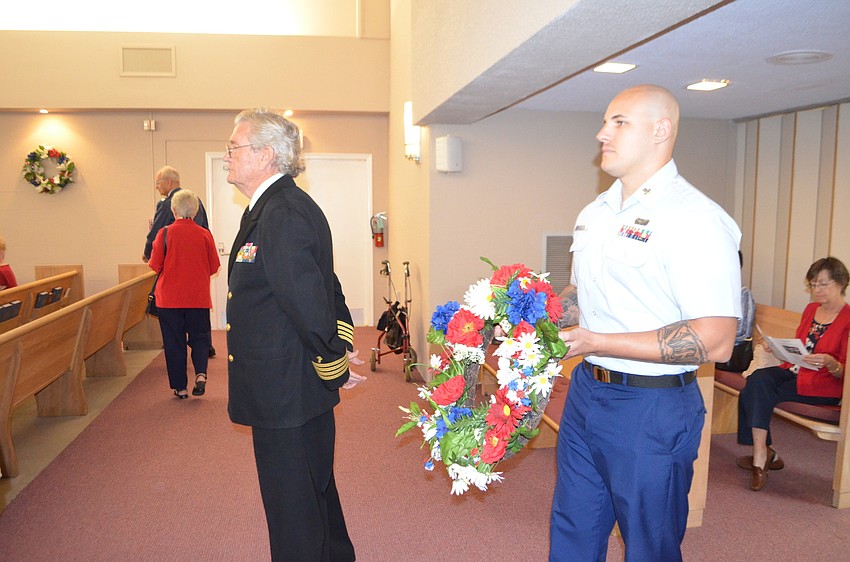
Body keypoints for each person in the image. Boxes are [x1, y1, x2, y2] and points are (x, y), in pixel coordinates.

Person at [550, 85, 742, 562]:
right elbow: (580, 295)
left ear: (661, 131)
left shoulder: (696, 219)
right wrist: (541, 319)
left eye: (619, 122)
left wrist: (597, 340)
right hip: (587, 392)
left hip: (651, 409)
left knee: (648, 545)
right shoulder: (595, 213)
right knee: (573, 527)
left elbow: (716, 340)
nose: (602, 134)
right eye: (605, 122)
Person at [224, 108, 356, 562]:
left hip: (286, 386)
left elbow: (308, 295)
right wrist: (334, 353)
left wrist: (331, 358)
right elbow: (324, 284)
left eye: (234, 147)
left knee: (291, 502)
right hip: (290, 381)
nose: (227, 157)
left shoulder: (281, 211)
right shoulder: (276, 206)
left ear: (265, 155)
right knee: (311, 485)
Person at [737, 257, 849, 491]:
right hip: (795, 372)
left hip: (824, 385)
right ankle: (761, 452)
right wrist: (777, 348)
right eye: (813, 285)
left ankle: (763, 455)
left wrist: (830, 362)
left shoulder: (847, 318)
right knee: (757, 379)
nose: (816, 290)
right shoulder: (811, 310)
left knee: (755, 390)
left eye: (822, 284)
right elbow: (799, 345)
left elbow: (844, 372)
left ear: (841, 283)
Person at [148, 189, 220, 399]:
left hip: (168, 299)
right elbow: (214, 266)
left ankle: (180, 387)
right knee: (199, 337)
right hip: (197, 297)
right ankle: (200, 374)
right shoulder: (204, 234)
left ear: (173, 209)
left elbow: (155, 265)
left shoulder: (165, 233)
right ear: (196, 210)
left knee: (174, 342)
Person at [143, 165, 216, 358]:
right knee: (198, 308)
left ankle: (180, 351)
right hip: (197, 265)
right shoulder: (195, 200)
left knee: (176, 311)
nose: (157, 187)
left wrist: (147, 253)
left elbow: (155, 232)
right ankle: (204, 344)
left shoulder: (169, 203)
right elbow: (206, 229)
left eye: (158, 183)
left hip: (176, 266)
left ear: (168, 182)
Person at [716, 251, 756, 372]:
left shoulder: (743, 293)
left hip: (732, 352)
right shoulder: (715, 292)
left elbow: (743, 332)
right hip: (714, 347)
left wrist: (713, 335)